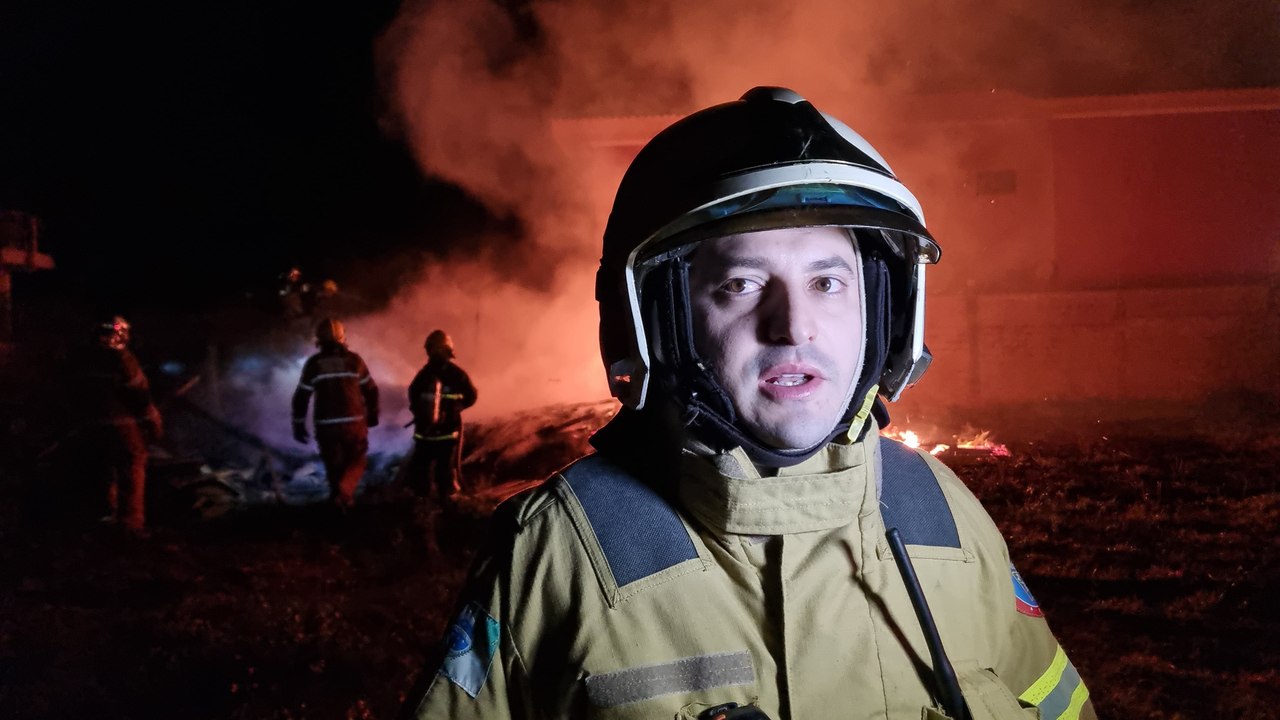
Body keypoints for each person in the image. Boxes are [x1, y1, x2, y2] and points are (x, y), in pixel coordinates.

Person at [407, 88, 1095, 720]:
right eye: (740, 284)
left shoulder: (942, 516)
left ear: (883, 306)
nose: (794, 326)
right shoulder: (558, 552)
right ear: (656, 317)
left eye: (828, 282)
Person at [74, 315, 162, 535]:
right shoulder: (121, 358)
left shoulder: (83, 357)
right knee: (132, 464)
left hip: (91, 423)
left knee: (105, 469)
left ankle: (105, 517)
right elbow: (138, 392)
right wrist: (152, 419)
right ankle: (131, 525)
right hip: (120, 423)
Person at [291, 318, 380, 509]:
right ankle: (343, 494)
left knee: (334, 467)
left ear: (319, 339)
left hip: (326, 426)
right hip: (353, 424)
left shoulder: (314, 364)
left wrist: (298, 424)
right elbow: (371, 390)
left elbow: (301, 396)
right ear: (342, 337)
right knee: (357, 459)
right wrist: (373, 413)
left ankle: (339, 507)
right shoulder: (354, 361)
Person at [405, 330, 477, 501]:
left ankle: (421, 505)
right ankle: (447, 505)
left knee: (421, 470)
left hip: (424, 434)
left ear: (429, 350)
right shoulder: (457, 374)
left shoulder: (424, 374)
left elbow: (412, 395)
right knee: (444, 470)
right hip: (447, 434)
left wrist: (420, 413)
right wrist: (456, 408)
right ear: (448, 350)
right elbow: (472, 396)